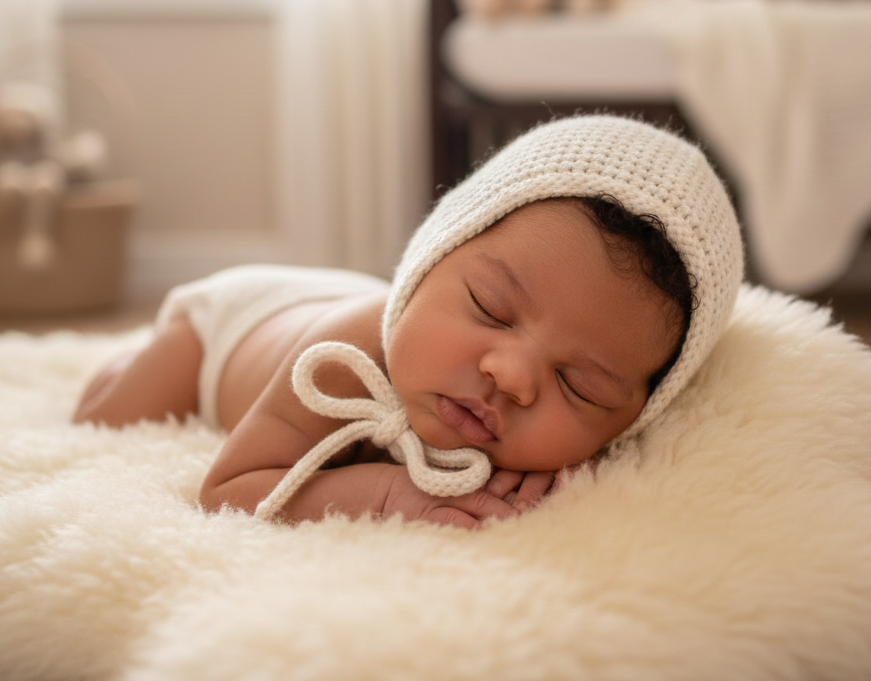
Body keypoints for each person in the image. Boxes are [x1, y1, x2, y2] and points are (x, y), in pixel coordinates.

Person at [74, 114, 744, 530]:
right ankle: (129, 354)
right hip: (234, 324)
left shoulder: (552, 438)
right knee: (103, 419)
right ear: (429, 261)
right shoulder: (341, 354)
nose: (509, 376)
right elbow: (231, 490)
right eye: (488, 307)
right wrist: (390, 492)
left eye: (582, 386)